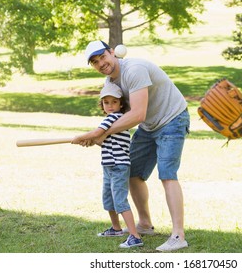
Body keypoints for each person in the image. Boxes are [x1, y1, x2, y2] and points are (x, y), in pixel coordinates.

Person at [80, 40, 190, 251]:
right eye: (95, 62)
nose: (101, 63)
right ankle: (145, 224)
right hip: (149, 126)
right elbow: (116, 119)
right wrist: (97, 137)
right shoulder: (109, 84)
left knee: (167, 174)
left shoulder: (135, 70)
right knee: (132, 173)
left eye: (102, 56)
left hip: (172, 119)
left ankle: (178, 235)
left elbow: (137, 114)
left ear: (112, 53)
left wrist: (99, 133)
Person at [72, 83, 143, 249]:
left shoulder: (114, 118)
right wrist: (89, 141)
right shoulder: (111, 121)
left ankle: (135, 236)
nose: (110, 106)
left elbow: (97, 134)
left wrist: (79, 137)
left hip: (118, 166)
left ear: (121, 104)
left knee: (119, 200)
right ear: (102, 104)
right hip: (109, 165)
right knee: (108, 198)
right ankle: (116, 228)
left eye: (114, 102)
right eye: (106, 102)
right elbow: (102, 141)